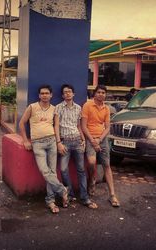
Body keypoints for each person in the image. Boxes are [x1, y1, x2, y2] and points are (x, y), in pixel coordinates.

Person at [19, 85, 68, 214]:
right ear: (39, 95)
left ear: (51, 95)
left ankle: (50, 201)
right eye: (42, 93)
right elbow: (21, 123)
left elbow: (56, 126)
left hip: (51, 141)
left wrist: (58, 142)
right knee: (45, 171)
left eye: (47, 93)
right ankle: (62, 190)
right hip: (37, 143)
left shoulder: (54, 109)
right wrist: (25, 140)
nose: (45, 95)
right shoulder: (32, 107)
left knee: (52, 172)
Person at [54, 84, 98, 209]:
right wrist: (58, 142)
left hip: (78, 141)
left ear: (73, 94)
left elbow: (79, 126)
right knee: (63, 169)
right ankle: (71, 194)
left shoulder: (79, 108)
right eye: (65, 92)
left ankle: (84, 198)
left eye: (69, 92)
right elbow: (56, 126)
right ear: (62, 95)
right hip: (65, 142)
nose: (67, 93)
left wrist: (83, 139)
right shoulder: (58, 108)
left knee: (81, 170)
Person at [81, 85, 120, 207]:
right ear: (95, 93)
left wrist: (99, 140)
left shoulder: (106, 108)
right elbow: (83, 126)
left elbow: (107, 127)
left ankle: (112, 195)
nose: (101, 94)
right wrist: (93, 141)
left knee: (107, 165)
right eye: (99, 92)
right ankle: (92, 179)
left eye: (103, 92)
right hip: (90, 138)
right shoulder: (87, 105)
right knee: (91, 162)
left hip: (102, 138)